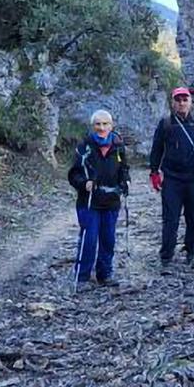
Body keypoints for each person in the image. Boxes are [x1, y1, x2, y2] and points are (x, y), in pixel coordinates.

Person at [149, 86, 194, 273]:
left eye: (185, 99)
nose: (181, 103)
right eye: (178, 99)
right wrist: (154, 172)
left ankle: (192, 253)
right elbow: (156, 150)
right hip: (172, 179)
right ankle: (166, 257)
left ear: (190, 102)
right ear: (173, 102)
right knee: (170, 219)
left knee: (193, 217)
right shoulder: (166, 124)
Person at [68, 110, 130, 291]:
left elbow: (124, 168)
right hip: (89, 201)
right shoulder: (84, 147)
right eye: (98, 124)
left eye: (105, 124)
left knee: (108, 239)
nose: (101, 128)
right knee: (89, 238)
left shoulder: (118, 146)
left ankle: (105, 274)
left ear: (111, 126)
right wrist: (83, 183)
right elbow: (73, 174)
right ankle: (82, 277)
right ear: (93, 126)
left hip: (111, 201)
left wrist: (125, 182)